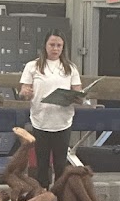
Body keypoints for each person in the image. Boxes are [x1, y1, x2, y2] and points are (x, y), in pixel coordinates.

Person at [18, 30, 85, 190]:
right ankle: (42, 194)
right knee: (41, 164)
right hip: (40, 120)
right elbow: (24, 92)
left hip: (62, 121)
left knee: (60, 163)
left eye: (59, 45)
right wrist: (25, 93)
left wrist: (77, 97)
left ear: (63, 47)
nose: (55, 49)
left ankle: (60, 194)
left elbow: (78, 93)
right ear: (45, 46)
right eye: (52, 45)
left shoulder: (70, 68)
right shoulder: (32, 66)